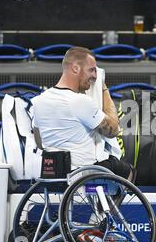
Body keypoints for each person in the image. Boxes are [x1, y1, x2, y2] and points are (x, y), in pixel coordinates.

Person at [32, 46, 134, 181]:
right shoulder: (80, 101)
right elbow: (113, 130)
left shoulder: (39, 101)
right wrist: (103, 88)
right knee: (127, 170)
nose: (95, 76)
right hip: (84, 172)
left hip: (54, 174)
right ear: (75, 68)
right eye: (91, 70)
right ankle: (110, 203)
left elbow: (39, 143)